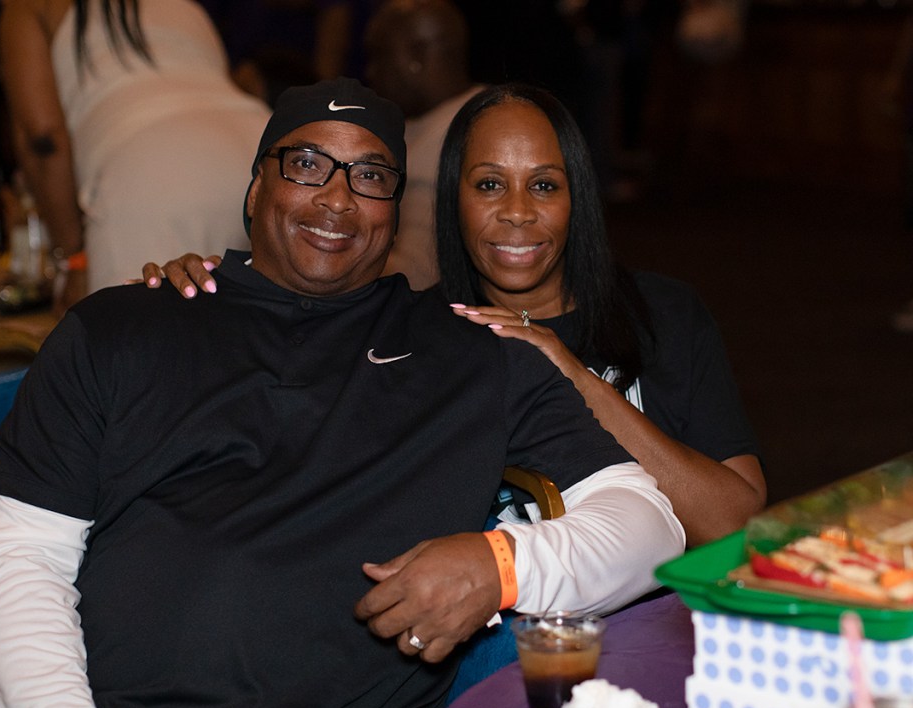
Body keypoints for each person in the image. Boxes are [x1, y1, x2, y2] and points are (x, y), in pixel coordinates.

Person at [0, 77, 683, 708]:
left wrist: (501, 565)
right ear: (254, 188)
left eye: (370, 176)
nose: (337, 198)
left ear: (395, 212)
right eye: (307, 164)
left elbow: (649, 523)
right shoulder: (122, 326)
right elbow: (20, 554)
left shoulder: (475, 353)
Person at [157, 82, 765, 548]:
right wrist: (208, 294)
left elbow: (736, 526)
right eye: (489, 185)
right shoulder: (410, 334)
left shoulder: (663, 313)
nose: (518, 212)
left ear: (577, 199)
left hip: (661, 628)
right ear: (454, 201)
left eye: (544, 186)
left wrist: (571, 375)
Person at [0, 0, 269, 311]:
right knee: (246, 329)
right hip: (257, 147)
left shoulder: (31, 7)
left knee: (132, 336)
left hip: (150, 168)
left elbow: (43, 138)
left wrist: (74, 257)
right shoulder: (187, 5)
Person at [363, 0, 483, 290]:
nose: (370, 72)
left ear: (417, 55)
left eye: (380, 56)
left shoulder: (452, 140)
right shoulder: (459, 116)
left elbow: (414, 275)